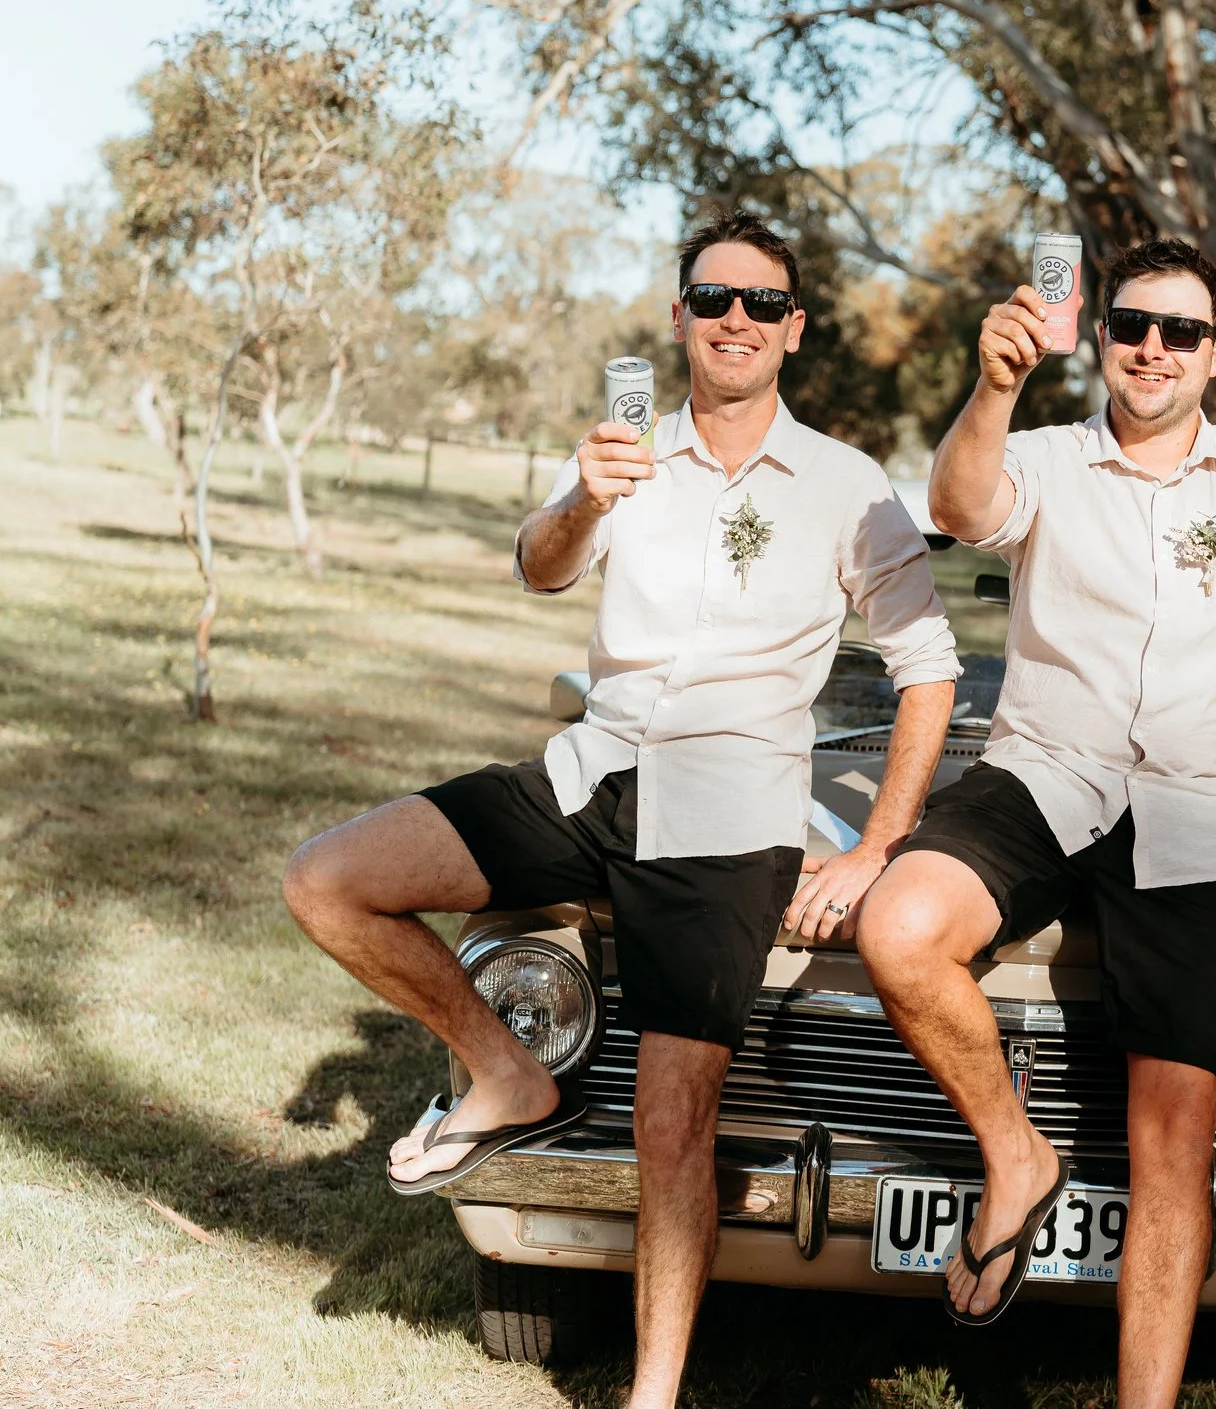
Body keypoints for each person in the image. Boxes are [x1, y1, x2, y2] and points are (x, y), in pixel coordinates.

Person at [281, 209, 960, 1409]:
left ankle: (651, 1393)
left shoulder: (848, 485)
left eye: (761, 302)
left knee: (670, 1124)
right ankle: (507, 1073)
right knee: (326, 878)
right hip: (589, 775)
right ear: (680, 316)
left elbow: (928, 666)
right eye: (714, 299)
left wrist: (876, 842)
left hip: (729, 816)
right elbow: (538, 566)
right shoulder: (622, 447)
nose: (737, 319)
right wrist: (586, 501)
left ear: (795, 328)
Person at [847, 238, 1216, 1406]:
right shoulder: (1042, 453)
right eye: (1133, 324)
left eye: (1181, 331)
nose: (1152, 348)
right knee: (899, 926)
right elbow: (958, 505)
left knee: (1170, 1147)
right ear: (1103, 335)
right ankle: (1016, 1152)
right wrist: (995, 382)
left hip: (1197, 808)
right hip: (1042, 774)